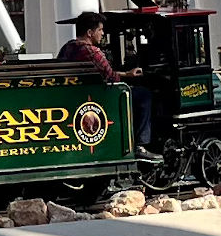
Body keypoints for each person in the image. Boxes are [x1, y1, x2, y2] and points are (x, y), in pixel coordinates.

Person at [57, 11, 153, 145]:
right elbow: (112, 79)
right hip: (97, 97)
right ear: (90, 33)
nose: (102, 33)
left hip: (73, 93)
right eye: (100, 30)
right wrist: (128, 76)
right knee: (143, 95)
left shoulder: (67, 47)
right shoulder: (93, 52)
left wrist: (126, 74)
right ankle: (141, 143)